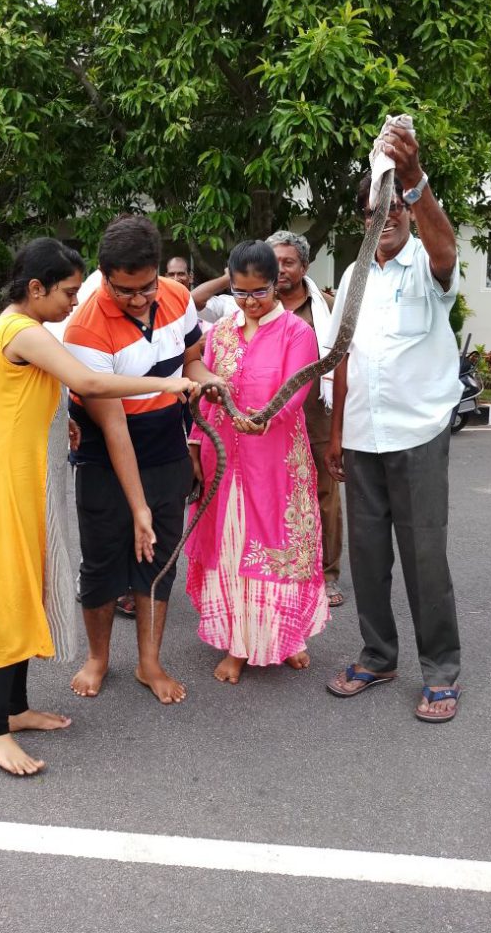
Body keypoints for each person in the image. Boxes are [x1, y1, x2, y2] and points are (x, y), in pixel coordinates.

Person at [0, 238, 197, 777]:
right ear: (35, 288)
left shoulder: (29, 330)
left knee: (27, 585)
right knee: (7, 594)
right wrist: (170, 381)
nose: (74, 300)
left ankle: (13, 710)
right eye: (67, 291)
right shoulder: (20, 329)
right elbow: (89, 382)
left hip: (20, 479)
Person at [324, 122, 463, 722]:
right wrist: (334, 436)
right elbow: (340, 358)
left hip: (419, 433)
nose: (389, 223)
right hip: (360, 438)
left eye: (398, 214)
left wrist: (413, 182)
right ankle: (378, 656)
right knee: (368, 555)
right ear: (364, 219)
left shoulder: (428, 266)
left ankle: (441, 671)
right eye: (378, 215)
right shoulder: (354, 276)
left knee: (425, 554)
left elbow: (447, 248)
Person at [64, 215, 221, 704]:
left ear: (158, 271)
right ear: (103, 274)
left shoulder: (174, 297)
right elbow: (113, 428)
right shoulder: (85, 329)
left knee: (160, 557)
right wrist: (138, 508)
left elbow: (190, 359)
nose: (138, 299)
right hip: (105, 456)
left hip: (165, 447)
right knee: (103, 560)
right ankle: (98, 658)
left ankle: (149, 662)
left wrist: (210, 381)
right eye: (124, 290)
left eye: (145, 286)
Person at [185, 240, 329, 684]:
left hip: (276, 463)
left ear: (277, 285)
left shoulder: (296, 333)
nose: (250, 303)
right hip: (224, 459)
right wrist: (195, 444)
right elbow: (200, 380)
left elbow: (294, 392)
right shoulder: (223, 330)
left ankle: (285, 637)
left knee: (273, 550)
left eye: (259, 293)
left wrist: (263, 420)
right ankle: (238, 645)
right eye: (242, 294)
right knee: (231, 547)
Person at [266, 230, 345, 608]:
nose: (280, 270)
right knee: (276, 495)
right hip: (272, 422)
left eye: (288, 262)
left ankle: (328, 574)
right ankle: (285, 565)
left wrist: (340, 432)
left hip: (317, 418)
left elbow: (346, 366)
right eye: (274, 262)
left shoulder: (327, 307)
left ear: (305, 266)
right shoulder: (255, 305)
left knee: (325, 497)